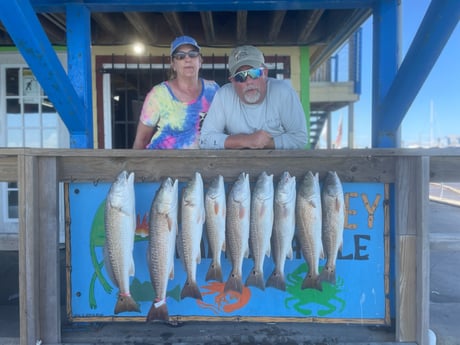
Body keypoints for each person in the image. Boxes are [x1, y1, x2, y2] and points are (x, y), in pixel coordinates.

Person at [199, 45, 308, 149]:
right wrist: (246, 140)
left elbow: (300, 137)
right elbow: (205, 140)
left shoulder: (283, 92)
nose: (249, 81)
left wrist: (265, 144)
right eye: (241, 76)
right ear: (232, 81)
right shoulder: (223, 95)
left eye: (255, 73)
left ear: (265, 73)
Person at [133, 36, 219, 149]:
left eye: (192, 54)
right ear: (173, 64)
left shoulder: (213, 89)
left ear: (200, 61)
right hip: (164, 163)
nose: (187, 59)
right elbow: (142, 139)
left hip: (204, 164)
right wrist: (135, 165)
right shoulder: (159, 94)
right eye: (180, 56)